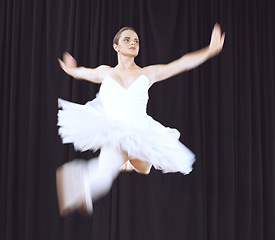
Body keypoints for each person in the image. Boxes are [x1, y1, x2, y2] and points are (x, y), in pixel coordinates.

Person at [56, 24, 225, 216]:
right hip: (115, 132)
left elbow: (180, 64)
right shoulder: (106, 72)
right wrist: (72, 70)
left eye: (136, 41)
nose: (132, 43)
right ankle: (79, 181)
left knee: (145, 168)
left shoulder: (147, 73)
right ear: (116, 47)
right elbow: (82, 73)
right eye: (127, 40)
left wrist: (210, 50)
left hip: (140, 130)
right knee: (104, 174)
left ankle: (126, 163)